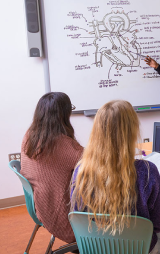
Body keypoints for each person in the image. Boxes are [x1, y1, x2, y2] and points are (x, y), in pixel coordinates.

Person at [70, 100, 160, 254]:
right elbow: (158, 224)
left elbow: (78, 216)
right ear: (132, 131)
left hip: (96, 248)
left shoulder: (81, 170)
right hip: (138, 249)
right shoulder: (147, 171)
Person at [21, 92, 83, 244]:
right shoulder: (66, 146)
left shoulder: (29, 135)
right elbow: (96, 162)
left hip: (40, 207)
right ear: (64, 114)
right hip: (63, 217)